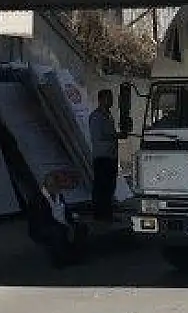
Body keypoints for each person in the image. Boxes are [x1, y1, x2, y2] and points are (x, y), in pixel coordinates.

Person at [26, 171, 87, 267]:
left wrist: (73, 218)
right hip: (44, 227)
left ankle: (75, 253)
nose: (62, 188)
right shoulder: (37, 199)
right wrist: (65, 225)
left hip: (60, 222)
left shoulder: (58, 196)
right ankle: (61, 260)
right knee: (57, 230)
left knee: (81, 227)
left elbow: (65, 211)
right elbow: (43, 219)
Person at [88, 89, 120, 222]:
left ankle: (107, 213)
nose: (111, 101)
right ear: (100, 99)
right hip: (102, 156)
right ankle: (99, 214)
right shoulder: (96, 116)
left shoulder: (109, 116)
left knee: (110, 187)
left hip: (111, 156)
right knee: (101, 186)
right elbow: (98, 136)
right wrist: (114, 135)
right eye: (108, 98)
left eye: (111, 98)